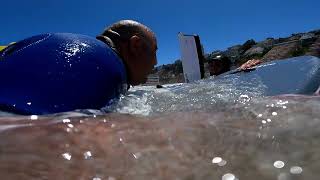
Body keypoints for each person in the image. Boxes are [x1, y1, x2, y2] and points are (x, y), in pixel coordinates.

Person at [0, 20, 157, 115]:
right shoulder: (101, 66)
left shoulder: (91, 53)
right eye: (154, 51)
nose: (155, 62)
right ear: (136, 45)